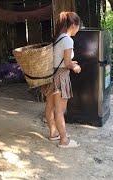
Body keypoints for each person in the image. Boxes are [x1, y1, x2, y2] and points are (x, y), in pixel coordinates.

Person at [41, 11, 81, 148]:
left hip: (53, 76)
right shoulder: (68, 40)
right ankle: (64, 140)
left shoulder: (58, 38)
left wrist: (70, 63)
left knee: (50, 107)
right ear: (74, 25)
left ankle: (53, 133)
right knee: (60, 110)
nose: (78, 29)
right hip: (62, 77)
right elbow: (68, 63)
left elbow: (62, 59)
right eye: (78, 26)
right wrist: (75, 68)